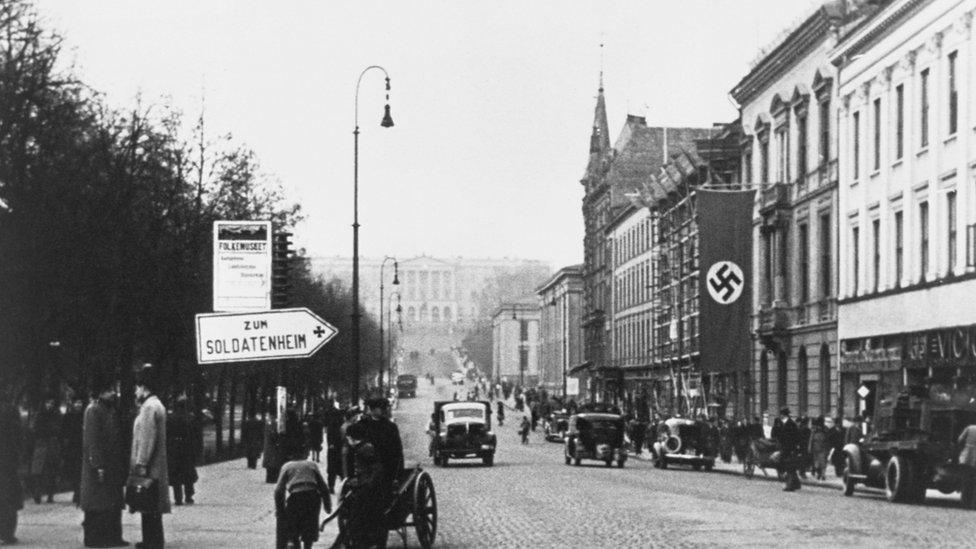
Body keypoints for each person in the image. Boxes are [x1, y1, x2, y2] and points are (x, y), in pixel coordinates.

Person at [81, 377, 128, 548]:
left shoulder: (108, 409)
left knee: (112, 502)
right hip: (101, 465)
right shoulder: (94, 410)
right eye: (109, 390)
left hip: (111, 464)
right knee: (97, 503)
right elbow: (92, 441)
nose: (113, 393)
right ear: (100, 392)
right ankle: (95, 538)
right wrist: (98, 465)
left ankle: (114, 536)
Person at [130, 367, 171, 549]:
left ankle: (150, 542)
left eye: (137, 387)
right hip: (157, 465)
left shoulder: (148, 408)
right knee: (154, 505)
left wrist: (141, 463)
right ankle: (155, 540)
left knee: (148, 503)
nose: (135, 391)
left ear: (144, 387)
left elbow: (146, 438)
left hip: (149, 466)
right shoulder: (158, 405)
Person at [274, 445, 331, 549]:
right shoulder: (312, 465)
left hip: (296, 497)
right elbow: (323, 487)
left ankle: (295, 543)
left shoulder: (287, 466)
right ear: (305, 454)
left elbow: (279, 490)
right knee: (310, 524)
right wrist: (328, 506)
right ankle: (307, 546)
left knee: (294, 525)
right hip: (313, 497)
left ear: (290, 455)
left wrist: (280, 510)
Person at [343, 422, 386, 549]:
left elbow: (376, 469)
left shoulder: (366, 448)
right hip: (364, 488)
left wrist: (365, 483)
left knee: (362, 518)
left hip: (370, 491)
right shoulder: (361, 448)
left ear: (352, 437)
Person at [359, 397, 404, 491]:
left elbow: (398, 449)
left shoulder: (391, 427)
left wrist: (398, 472)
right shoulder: (365, 425)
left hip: (387, 464)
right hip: (368, 463)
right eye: (380, 408)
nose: (385, 410)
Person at [0, 391, 24, 545]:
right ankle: (7, 533)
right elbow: (19, 435)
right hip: (8, 460)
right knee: (8, 496)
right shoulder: (11, 410)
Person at [166, 397, 198, 506]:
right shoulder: (190, 418)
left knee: (176, 474)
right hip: (187, 447)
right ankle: (189, 496)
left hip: (174, 447)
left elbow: (167, 434)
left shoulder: (170, 418)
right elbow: (195, 436)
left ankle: (178, 498)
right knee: (188, 472)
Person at [30, 396, 62, 504]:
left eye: (51, 403)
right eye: (47, 403)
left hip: (52, 445)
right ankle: (37, 494)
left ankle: (50, 495)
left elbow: (59, 429)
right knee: (38, 471)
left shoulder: (56, 415)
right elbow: (34, 429)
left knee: (51, 470)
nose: (49, 405)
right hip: (41, 444)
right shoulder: (39, 415)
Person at [62, 396, 85, 505]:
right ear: (73, 404)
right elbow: (64, 432)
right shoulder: (68, 416)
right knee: (72, 471)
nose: (78, 405)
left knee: (79, 470)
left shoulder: (84, 415)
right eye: (76, 402)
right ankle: (76, 490)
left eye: (80, 402)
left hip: (81, 447)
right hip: (71, 448)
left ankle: (78, 492)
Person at [772, 407, 800, 492]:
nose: (780, 416)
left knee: (787, 466)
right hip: (785, 447)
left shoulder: (790, 424)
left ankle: (790, 485)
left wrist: (791, 448)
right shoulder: (783, 423)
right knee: (789, 467)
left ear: (783, 415)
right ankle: (796, 484)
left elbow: (793, 437)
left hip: (789, 448)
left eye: (781, 414)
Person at [322, 401, 345, 491]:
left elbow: (329, 436)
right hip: (338, 448)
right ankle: (341, 485)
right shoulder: (340, 424)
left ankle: (331, 486)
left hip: (333, 449)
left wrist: (331, 444)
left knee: (332, 469)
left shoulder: (332, 425)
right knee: (340, 468)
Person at [809, 416, 828, 481]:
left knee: (822, 462)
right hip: (816, 447)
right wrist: (809, 448)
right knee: (817, 463)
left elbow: (827, 438)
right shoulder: (815, 429)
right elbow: (811, 439)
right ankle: (819, 473)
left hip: (822, 447)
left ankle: (822, 474)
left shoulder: (825, 429)